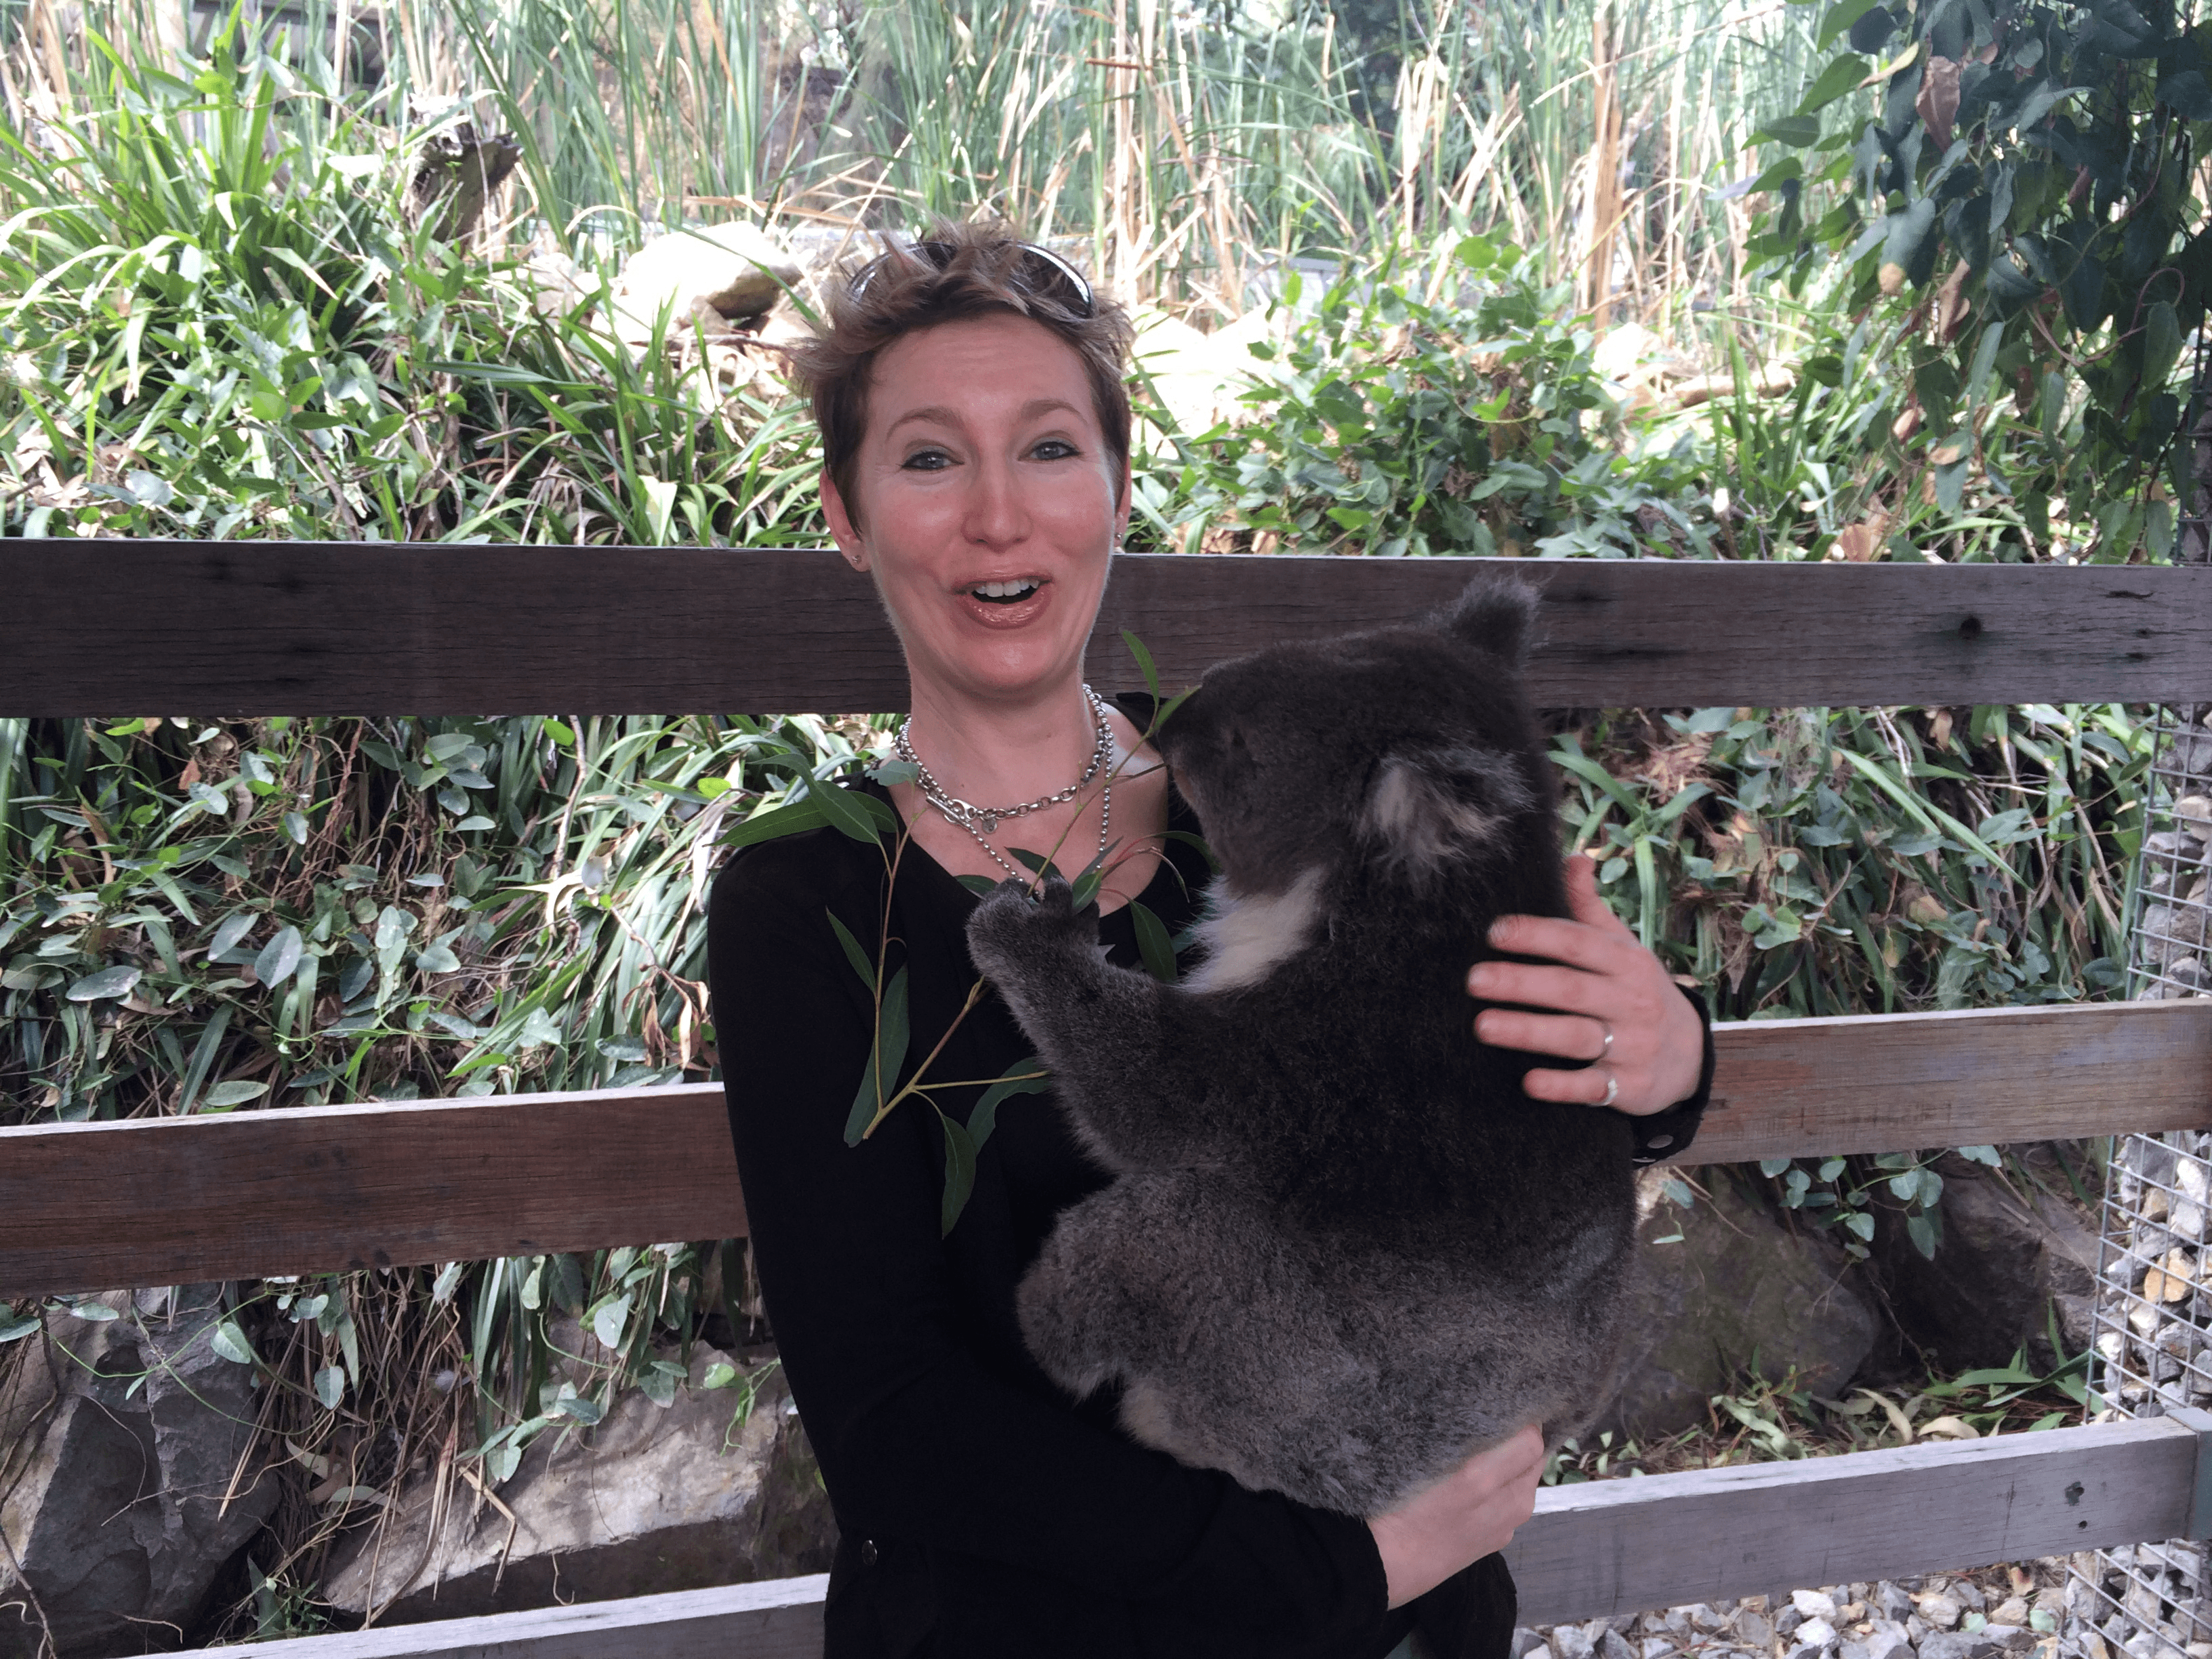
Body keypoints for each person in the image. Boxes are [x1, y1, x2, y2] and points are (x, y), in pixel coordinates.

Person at [706, 222, 1713, 1659]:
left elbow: (1517, 1136)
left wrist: (1668, 1065)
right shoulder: (808, 895)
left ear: (1117, 491)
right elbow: (892, 1427)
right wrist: (1354, 1571)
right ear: (848, 517)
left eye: (1050, 448)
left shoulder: (1291, 798)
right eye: (930, 458)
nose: (1000, 513)